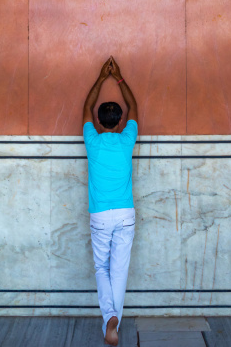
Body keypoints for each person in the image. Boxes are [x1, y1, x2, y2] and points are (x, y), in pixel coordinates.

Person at [82, 56, 139, 346]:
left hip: (100, 216)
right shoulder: (127, 139)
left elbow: (86, 109)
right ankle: (112, 320)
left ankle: (110, 319)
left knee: (101, 269)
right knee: (119, 270)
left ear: (98, 122)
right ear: (119, 122)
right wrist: (118, 78)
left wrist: (100, 78)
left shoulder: (91, 140)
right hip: (125, 214)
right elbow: (134, 108)